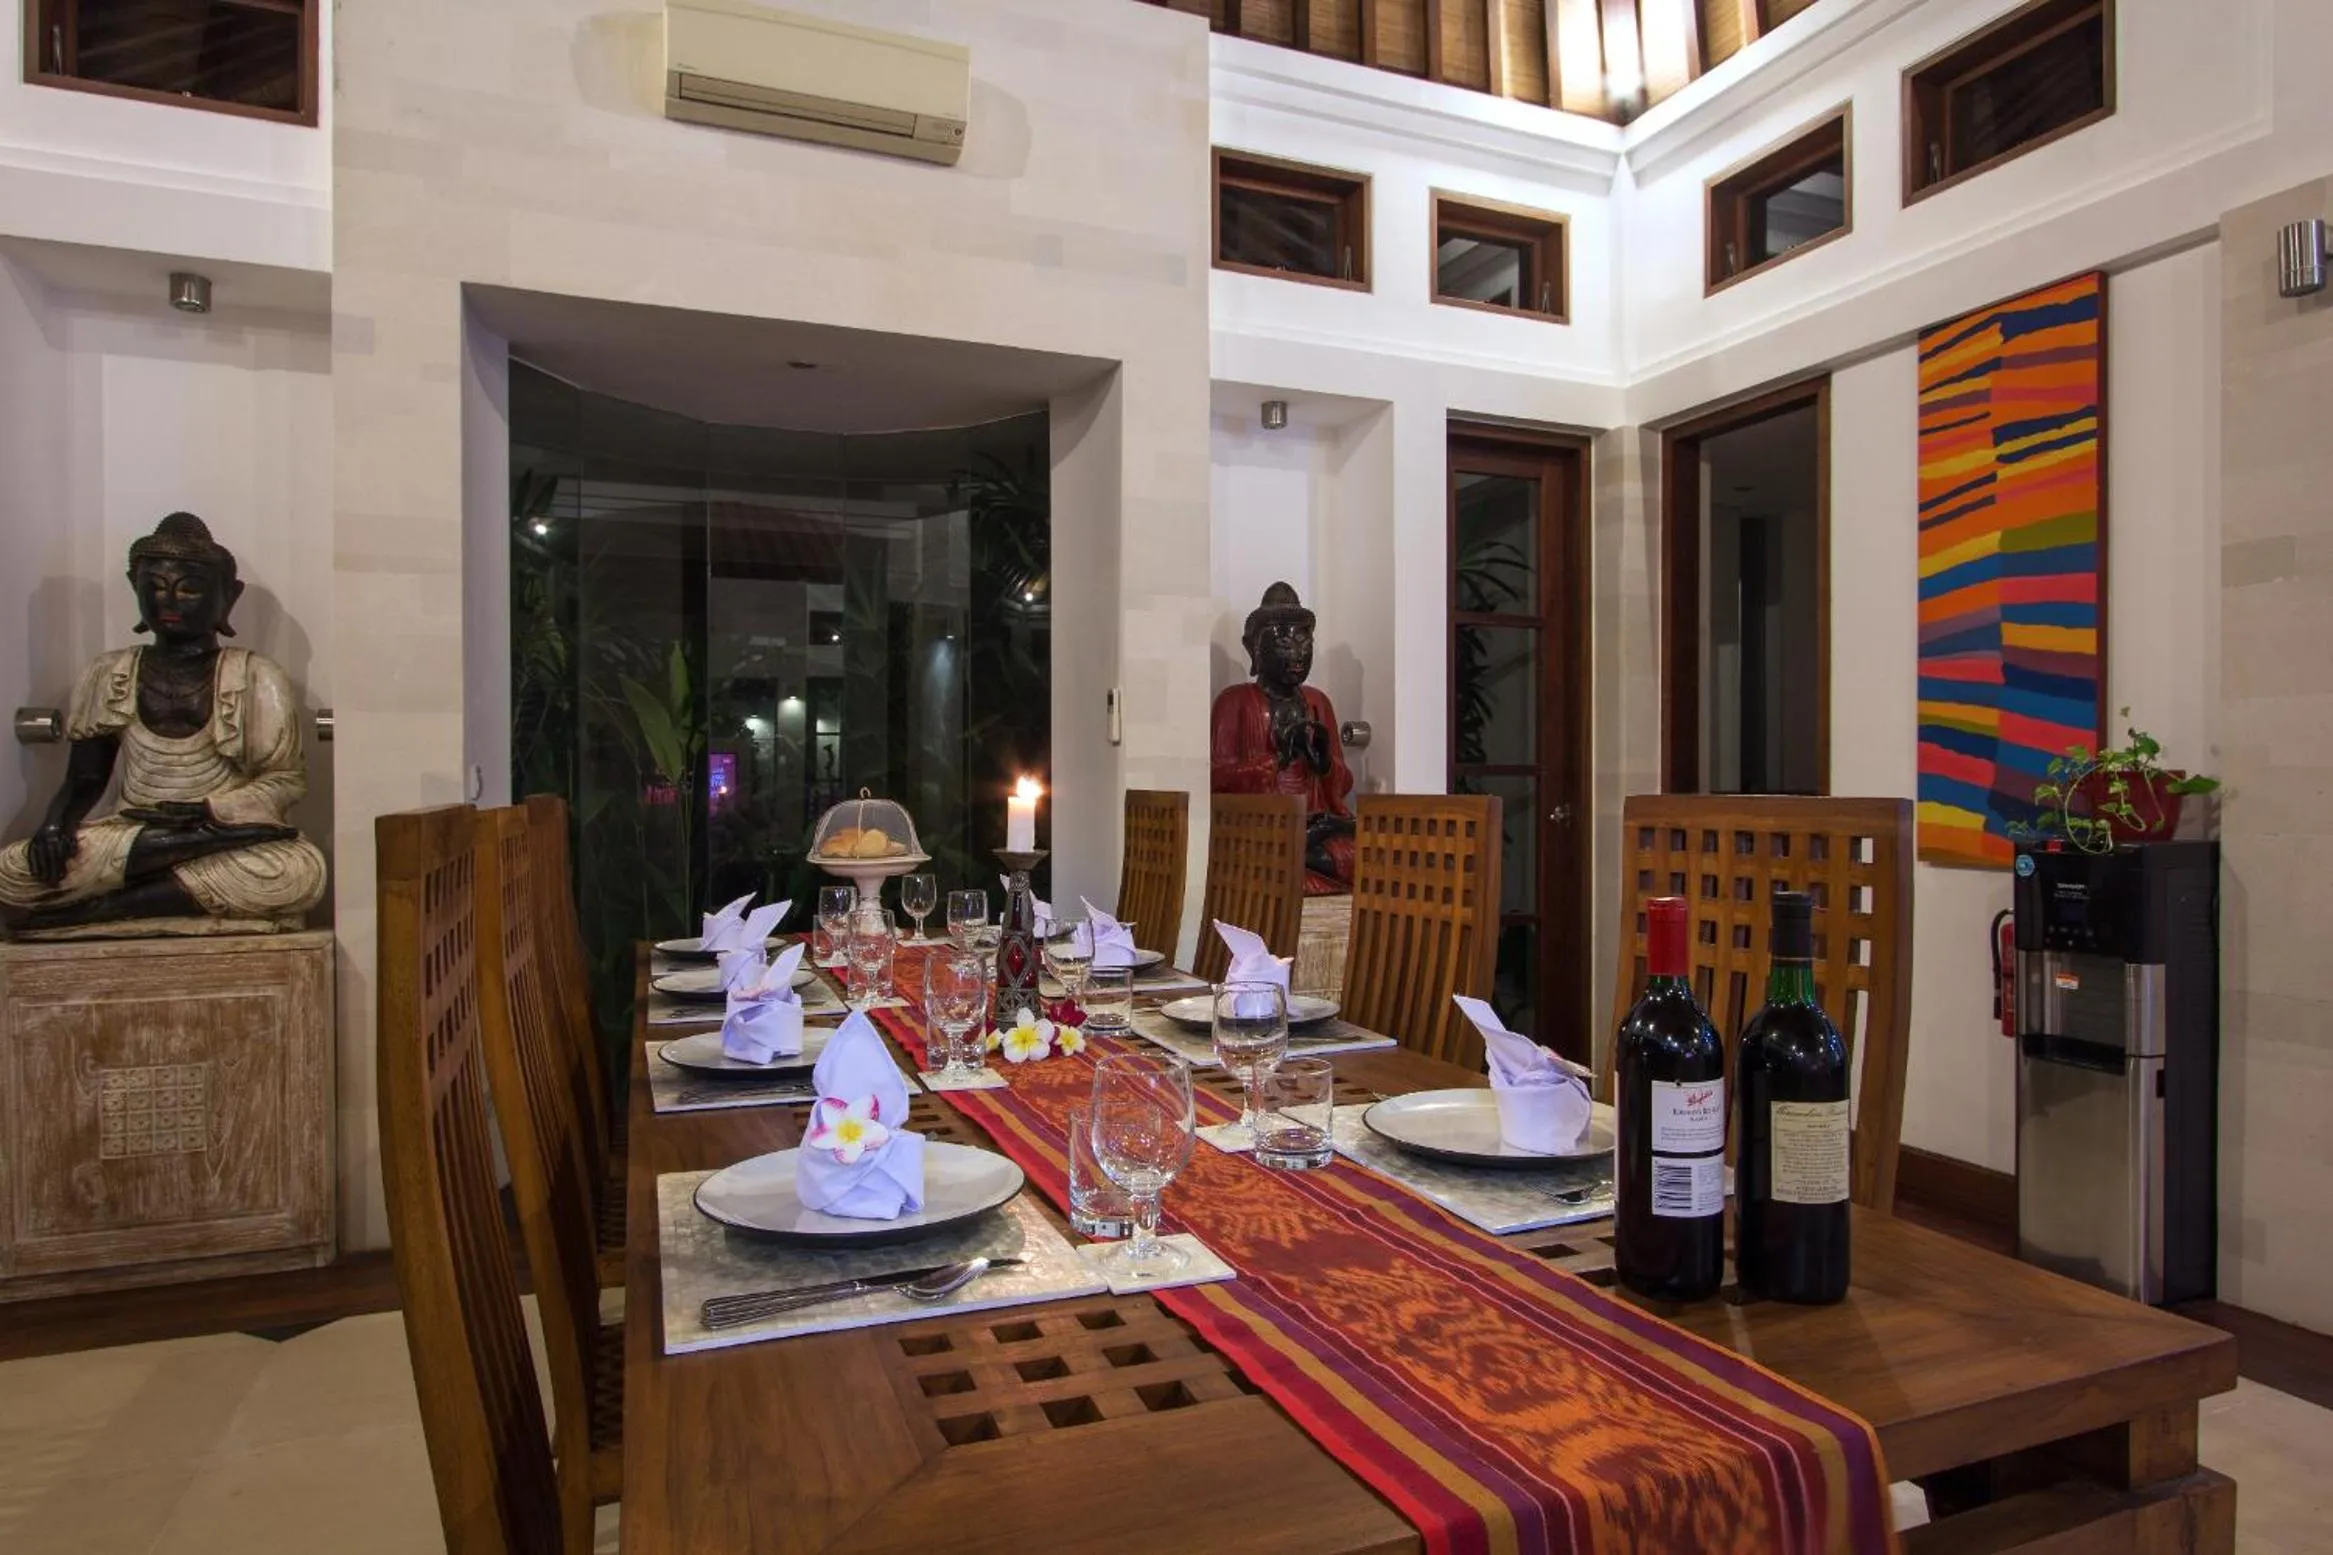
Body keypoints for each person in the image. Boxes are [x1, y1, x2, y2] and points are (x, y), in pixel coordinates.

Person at [0, 513, 327, 934]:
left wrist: (208, 811)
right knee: (10, 871)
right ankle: (146, 895)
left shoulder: (256, 676)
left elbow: (285, 780)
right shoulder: (109, 672)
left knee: (296, 872)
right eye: (153, 587)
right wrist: (54, 825)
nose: (168, 602)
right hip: (138, 833)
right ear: (134, 588)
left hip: (223, 829)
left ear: (228, 596)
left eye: (189, 588)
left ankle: (93, 913)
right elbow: (85, 779)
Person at [1208, 582, 1356, 893]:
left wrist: (1325, 762)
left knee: (1369, 853)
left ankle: (1304, 850)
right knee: (1267, 855)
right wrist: (1279, 758)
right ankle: (1301, 853)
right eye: (1284, 645)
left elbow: (1341, 785)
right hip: (1259, 829)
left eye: (1305, 644)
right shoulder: (1234, 702)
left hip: (1314, 823)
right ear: (1254, 649)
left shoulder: (1318, 702)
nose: (1298, 655)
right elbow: (1216, 777)